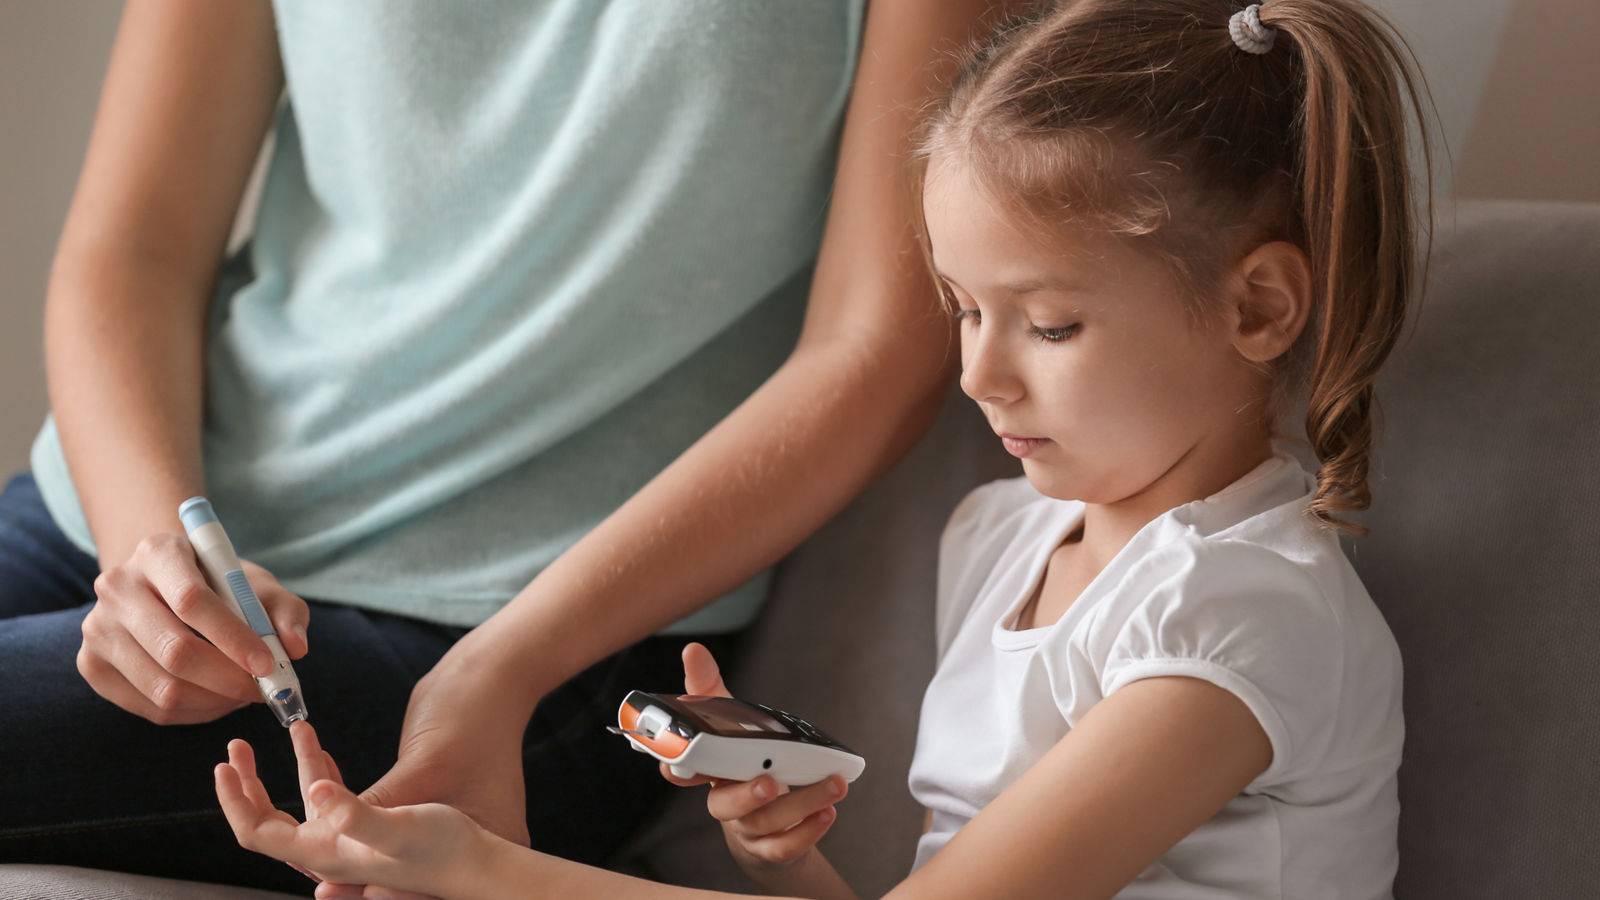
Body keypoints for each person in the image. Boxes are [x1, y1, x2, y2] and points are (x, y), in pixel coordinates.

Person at [210, 0, 1436, 897]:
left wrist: (483, 870)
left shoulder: (1242, 620)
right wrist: (781, 852)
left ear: (1261, 309)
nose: (975, 372)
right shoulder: (1004, 533)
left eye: (1049, 323)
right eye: (962, 307)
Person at [0, 0, 1014, 893]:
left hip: (521, 639)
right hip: (115, 514)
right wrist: (151, 555)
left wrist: (496, 672)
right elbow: (137, 243)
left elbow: (877, 352)